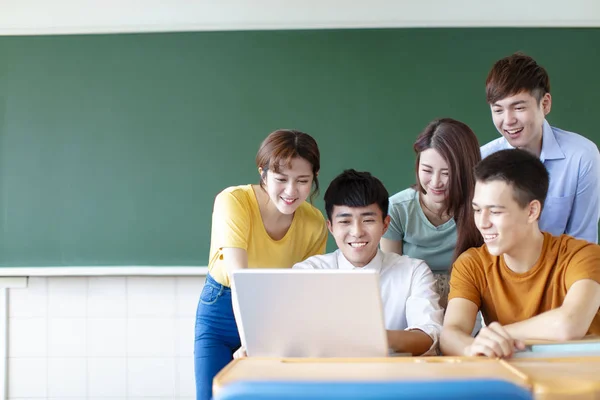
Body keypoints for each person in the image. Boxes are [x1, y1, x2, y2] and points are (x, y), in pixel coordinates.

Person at [194, 129, 328, 400]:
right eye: (281, 179)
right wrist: (251, 342)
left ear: (314, 177)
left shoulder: (314, 222)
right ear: (262, 172)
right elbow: (239, 276)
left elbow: (302, 291)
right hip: (222, 309)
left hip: (275, 313)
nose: (292, 191)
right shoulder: (234, 201)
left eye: (303, 180)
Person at [440, 149, 600, 358]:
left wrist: (493, 335)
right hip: (515, 381)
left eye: (496, 212)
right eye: (477, 210)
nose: (483, 223)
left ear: (532, 211)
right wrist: (471, 347)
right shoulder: (472, 264)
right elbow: (451, 334)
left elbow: (569, 324)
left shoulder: (583, 255)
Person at [294, 169, 443, 356]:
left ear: (385, 225)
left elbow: (428, 336)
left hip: (391, 379)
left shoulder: (413, 271)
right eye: (345, 221)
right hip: (325, 379)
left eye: (368, 220)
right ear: (330, 227)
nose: (357, 231)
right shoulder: (308, 273)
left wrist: (371, 336)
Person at [481, 52, 600, 243]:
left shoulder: (581, 156)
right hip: (499, 269)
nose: (508, 120)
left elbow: (583, 243)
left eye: (519, 108)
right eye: (498, 110)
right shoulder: (482, 159)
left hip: (562, 269)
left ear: (545, 104)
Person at [380, 118, 483, 307]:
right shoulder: (397, 208)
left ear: (466, 171)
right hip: (413, 301)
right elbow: (394, 277)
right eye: (427, 170)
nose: (436, 182)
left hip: (468, 300)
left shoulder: (481, 207)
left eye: (447, 173)